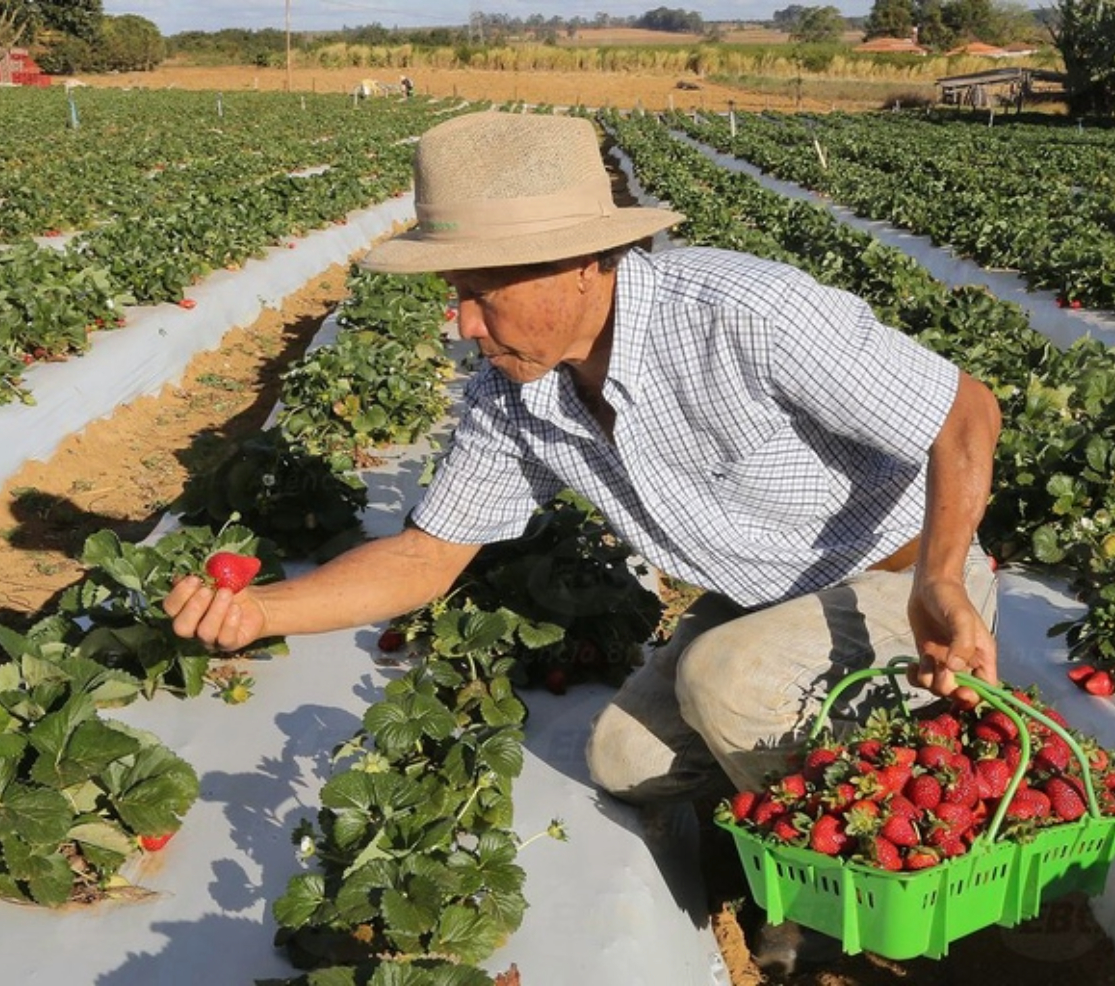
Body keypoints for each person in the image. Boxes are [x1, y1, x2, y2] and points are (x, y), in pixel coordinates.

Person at [165, 110, 1000, 969]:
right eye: (454, 292)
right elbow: (425, 554)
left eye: (483, 292)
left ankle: (845, 902)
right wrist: (264, 610)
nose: (461, 323)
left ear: (585, 264)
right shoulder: (516, 394)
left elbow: (965, 410)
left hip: (898, 583)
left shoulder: (744, 311)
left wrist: (940, 578)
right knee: (622, 756)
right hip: (767, 598)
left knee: (729, 680)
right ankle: (761, 822)